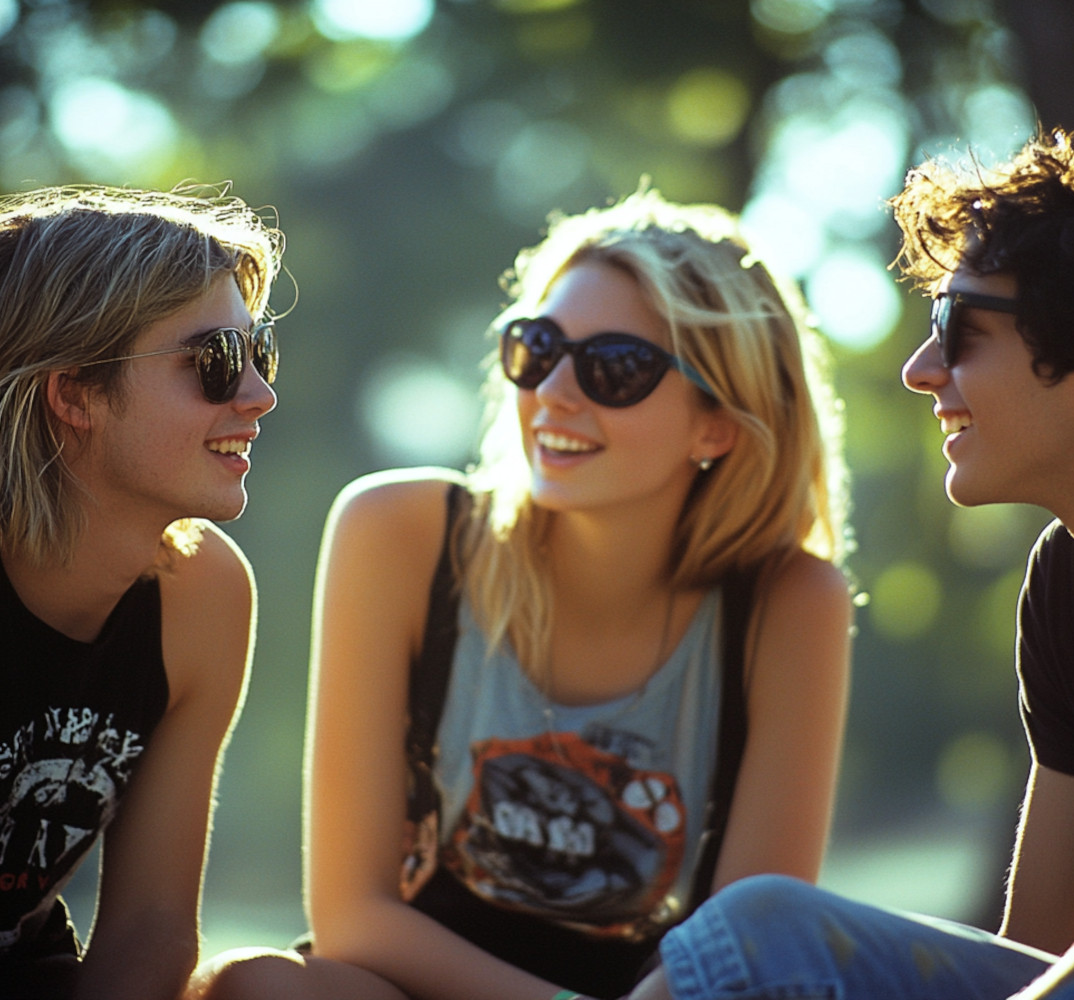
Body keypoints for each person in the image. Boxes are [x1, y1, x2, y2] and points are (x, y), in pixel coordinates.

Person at [623, 127, 1074, 1000]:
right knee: (765, 931)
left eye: (958, 328)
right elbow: (1037, 949)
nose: (921, 370)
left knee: (767, 944)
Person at [192, 188, 854, 1000]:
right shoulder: (400, 533)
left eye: (616, 368)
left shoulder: (789, 603)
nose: (555, 392)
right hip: (416, 985)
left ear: (717, 422)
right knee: (252, 987)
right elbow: (353, 919)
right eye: (537, 348)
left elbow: (749, 953)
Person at [0, 184, 284, 999]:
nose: (259, 395)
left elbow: (151, 931)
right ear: (72, 391)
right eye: (217, 362)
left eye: (260, 354)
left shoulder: (205, 593)